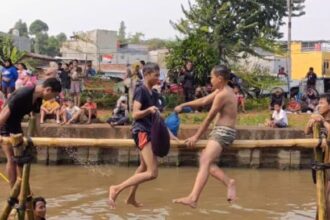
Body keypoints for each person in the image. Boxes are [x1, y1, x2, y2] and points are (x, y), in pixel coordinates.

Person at [172, 65, 237, 208]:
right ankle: (229, 182)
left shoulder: (223, 94)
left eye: (211, 77)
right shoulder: (222, 90)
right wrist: (183, 105)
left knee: (205, 161)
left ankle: (193, 198)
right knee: (205, 161)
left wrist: (196, 137)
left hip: (223, 132)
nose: (210, 80)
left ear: (219, 79)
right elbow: (202, 101)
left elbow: (208, 118)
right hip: (220, 131)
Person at [108, 63, 164, 209]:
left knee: (143, 166)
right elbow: (135, 114)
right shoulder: (141, 90)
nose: (158, 78)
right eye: (156, 75)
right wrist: (149, 110)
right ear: (147, 75)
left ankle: (131, 198)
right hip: (141, 131)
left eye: (159, 75)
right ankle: (116, 188)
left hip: (148, 131)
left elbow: (153, 116)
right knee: (152, 173)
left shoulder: (153, 93)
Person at [0, 78, 61, 187]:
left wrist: (40, 138)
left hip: (16, 126)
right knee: (11, 159)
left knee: (20, 158)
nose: (53, 98)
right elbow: (4, 113)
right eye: (54, 95)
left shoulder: (38, 99)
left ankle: (22, 187)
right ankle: (13, 189)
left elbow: (36, 119)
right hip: (5, 125)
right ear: (48, 90)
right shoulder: (23, 94)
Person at [304, 93, 330, 218]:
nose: (319, 106)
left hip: (329, 165)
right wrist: (311, 121)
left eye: (322, 103)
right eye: (318, 103)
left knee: (328, 198)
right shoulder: (318, 118)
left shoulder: (325, 121)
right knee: (321, 200)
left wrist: (323, 121)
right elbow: (306, 131)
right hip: (319, 163)